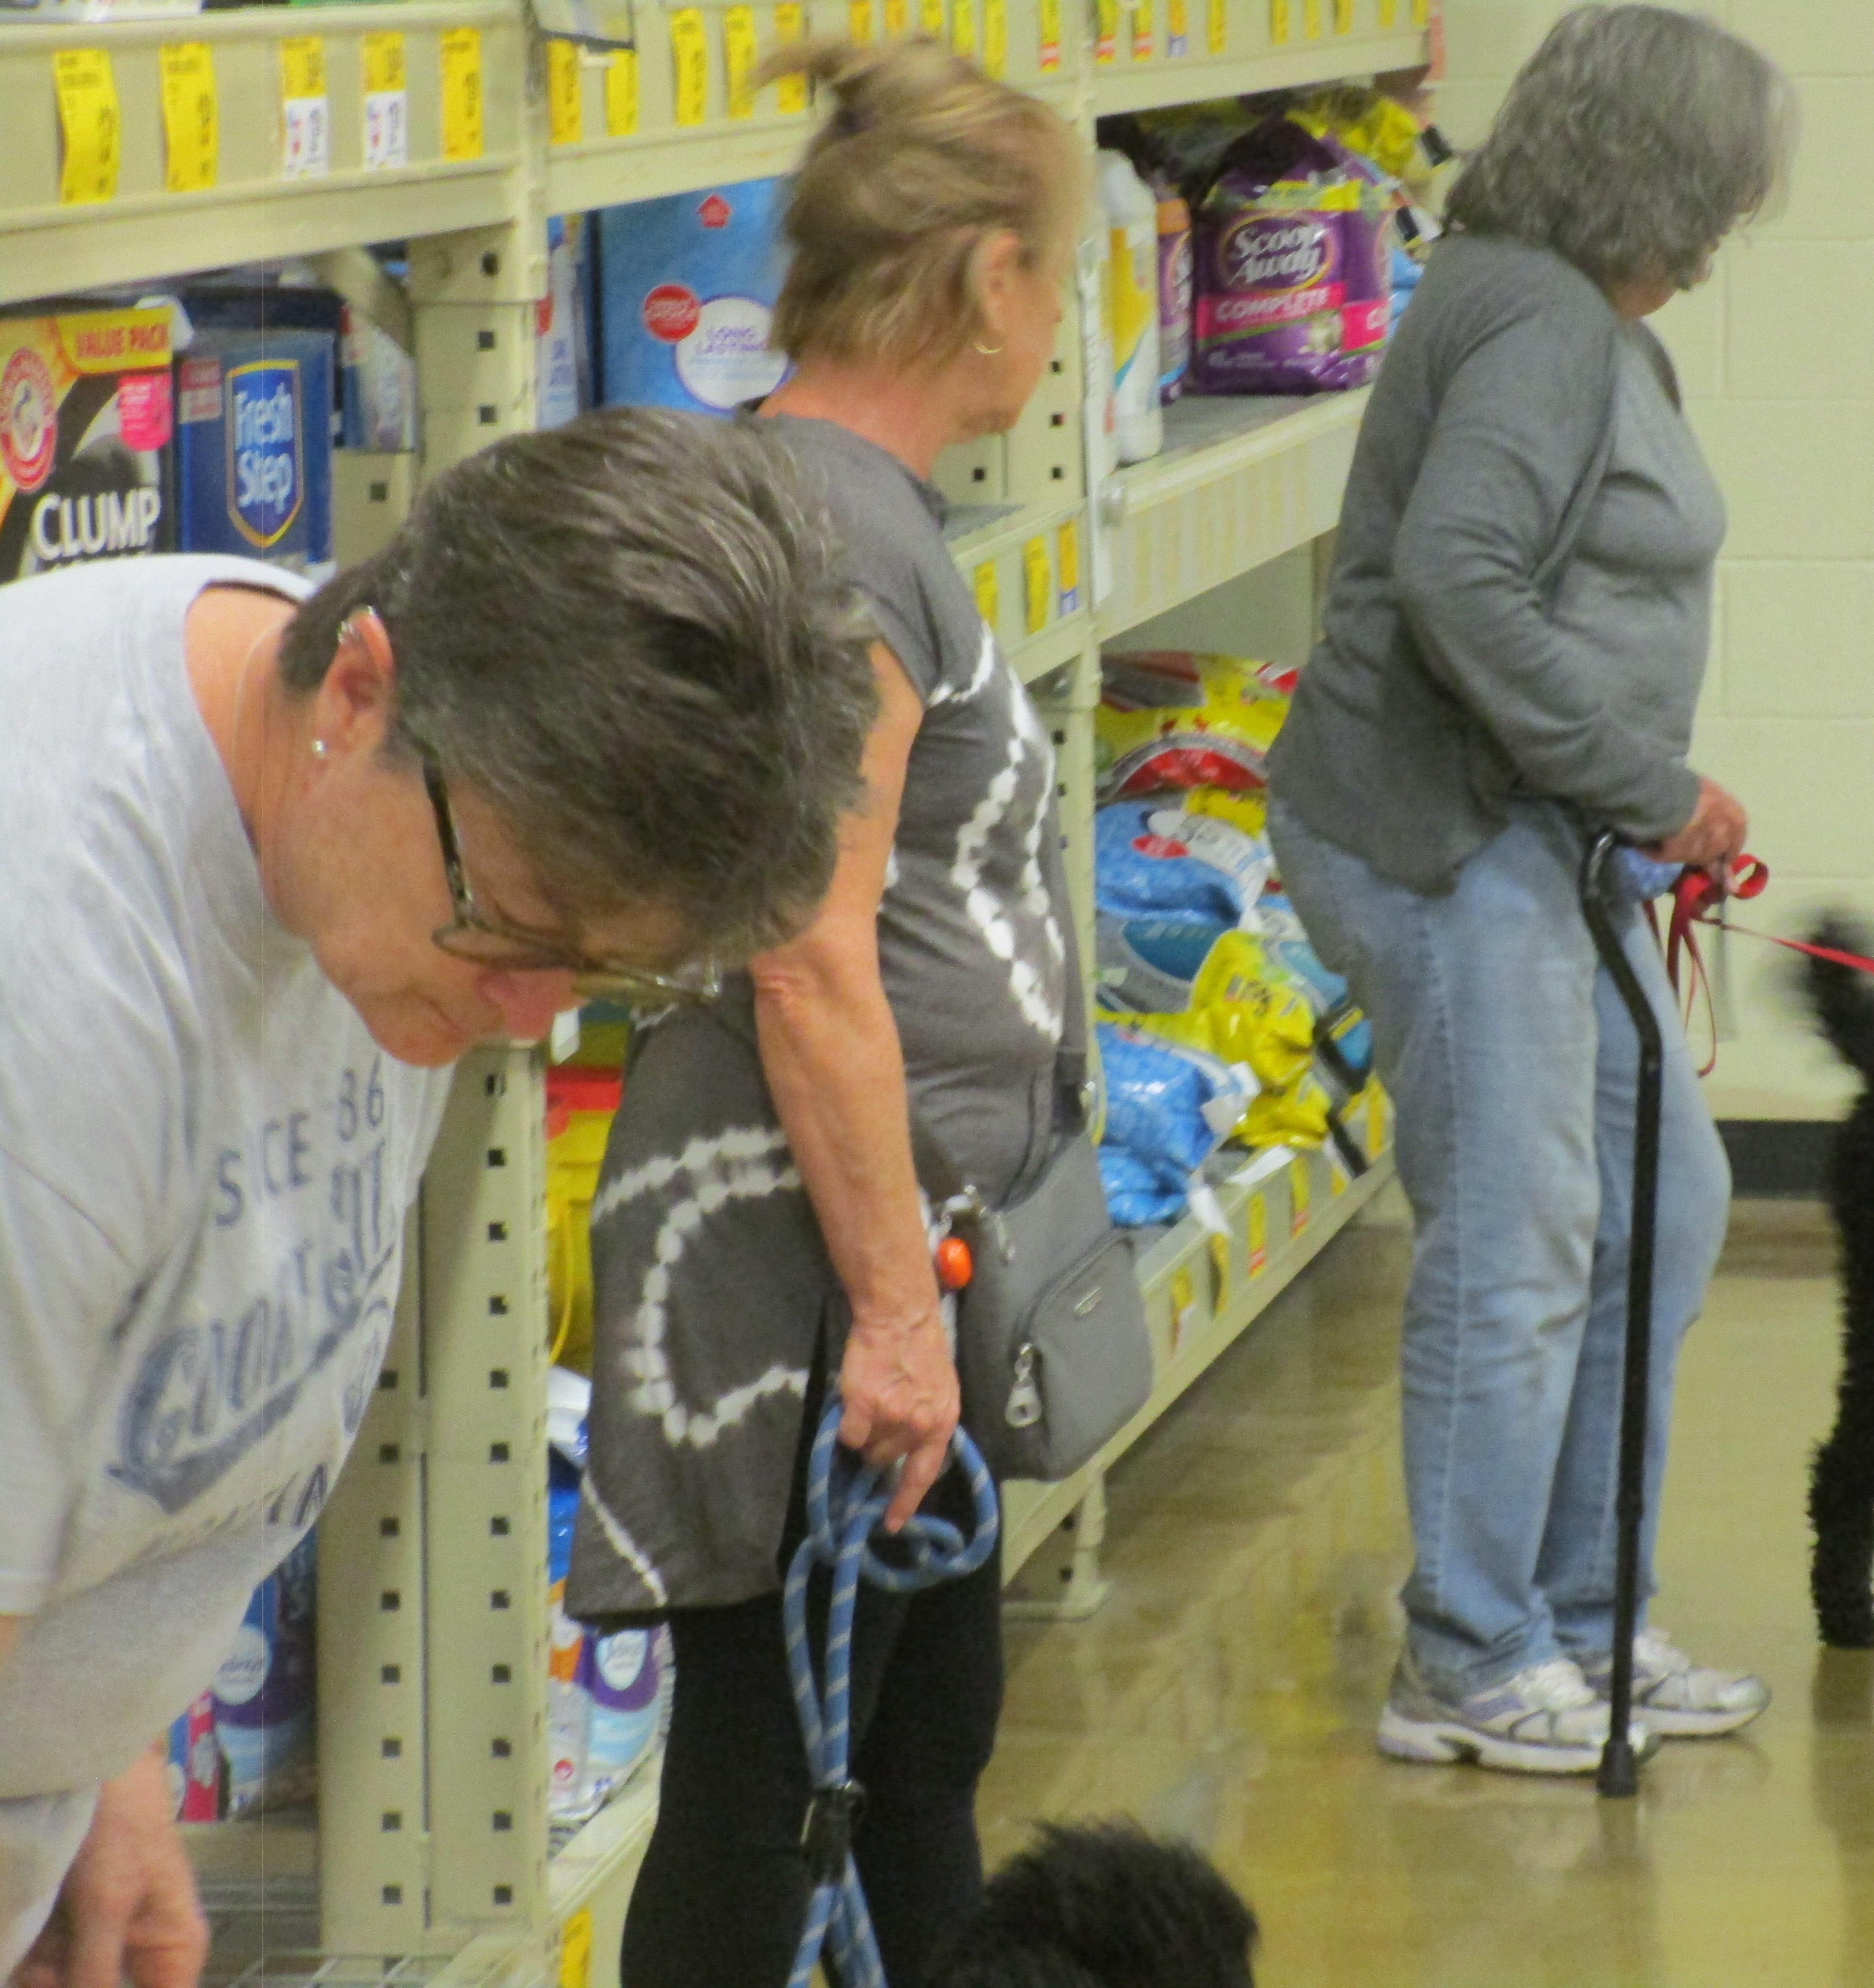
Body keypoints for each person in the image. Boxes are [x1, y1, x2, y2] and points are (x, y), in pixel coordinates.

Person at [0, 406, 884, 1986]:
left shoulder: (368, 804)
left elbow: (78, 1382)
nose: (527, 1017)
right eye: (515, 930)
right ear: (362, 691)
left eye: (598, 973)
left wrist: (95, 1754)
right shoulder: (50, 972)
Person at [563, 38, 1084, 1987]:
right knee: (781, 1786)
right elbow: (805, 946)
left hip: (868, 1246)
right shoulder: (844, 543)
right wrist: (892, 1316)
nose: (1063, 322)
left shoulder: (835, 506)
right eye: (1060, 277)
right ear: (985, 280)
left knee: (908, 1761)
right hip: (811, 1272)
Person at [1264, 3, 1788, 1776]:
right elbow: (1459, 577)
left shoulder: (1569, 317)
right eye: (1722, 192)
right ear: (1660, 180)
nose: (1730, 231)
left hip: (1547, 847)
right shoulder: (1542, 323)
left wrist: (1622, 805)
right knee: (1520, 1236)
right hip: (1446, 843)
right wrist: (1650, 784)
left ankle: (1583, 1619)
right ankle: (1471, 1655)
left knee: (1665, 1201)